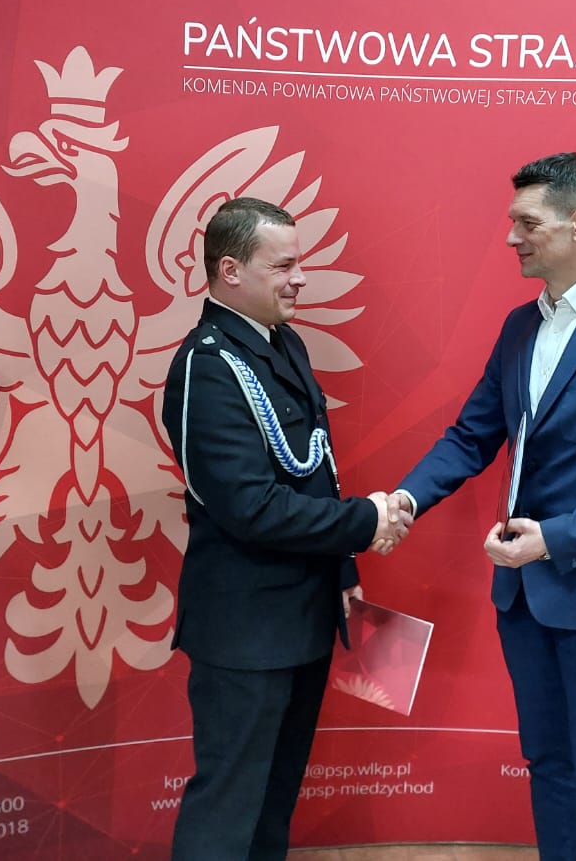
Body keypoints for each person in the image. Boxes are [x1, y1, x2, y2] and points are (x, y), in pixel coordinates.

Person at [391, 152, 576, 860]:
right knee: (551, 771)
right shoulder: (518, 327)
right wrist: (405, 498)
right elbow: (471, 436)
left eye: (527, 223)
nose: (511, 237)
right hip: (524, 599)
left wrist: (552, 538)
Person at [161, 196, 410, 861]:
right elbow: (250, 506)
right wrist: (366, 521)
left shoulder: (284, 342)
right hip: (245, 630)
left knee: (273, 803)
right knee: (228, 809)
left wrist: (345, 569)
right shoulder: (207, 365)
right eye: (284, 265)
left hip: (303, 613)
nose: (300, 278)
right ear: (230, 270)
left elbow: (315, 468)